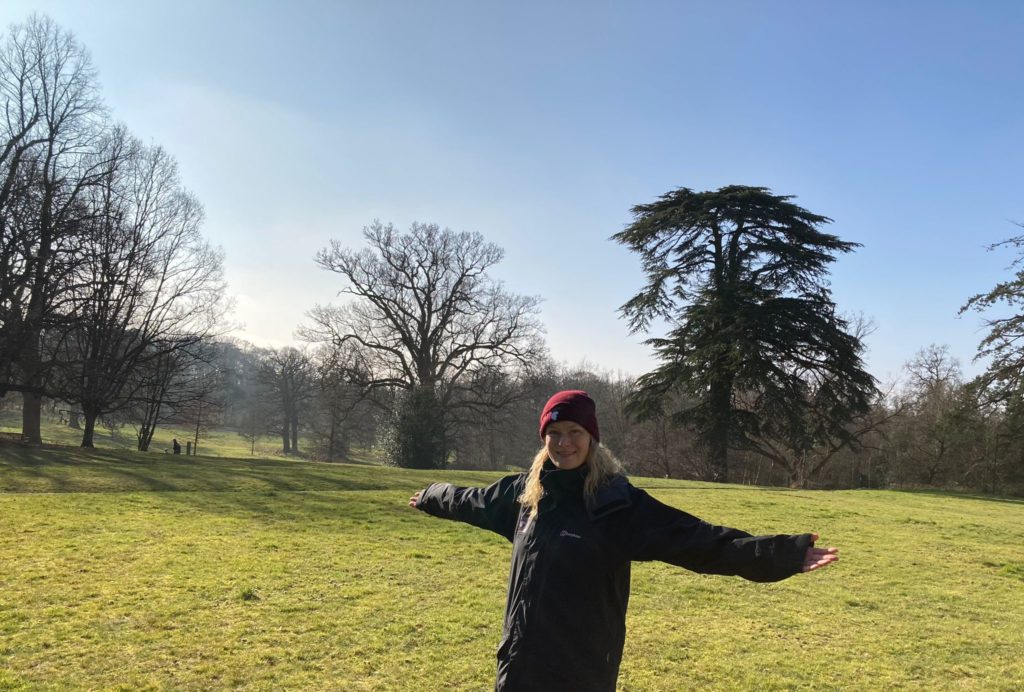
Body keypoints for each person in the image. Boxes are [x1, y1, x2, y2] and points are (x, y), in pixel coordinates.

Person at [409, 390, 838, 692]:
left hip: (581, 671)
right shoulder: (524, 496)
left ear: (592, 437)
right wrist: (430, 495)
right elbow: (470, 501)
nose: (564, 443)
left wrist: (781, 553)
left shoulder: (616, 504)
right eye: (554, 434)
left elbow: (698, 541)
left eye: (574, 432)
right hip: (520, 665)